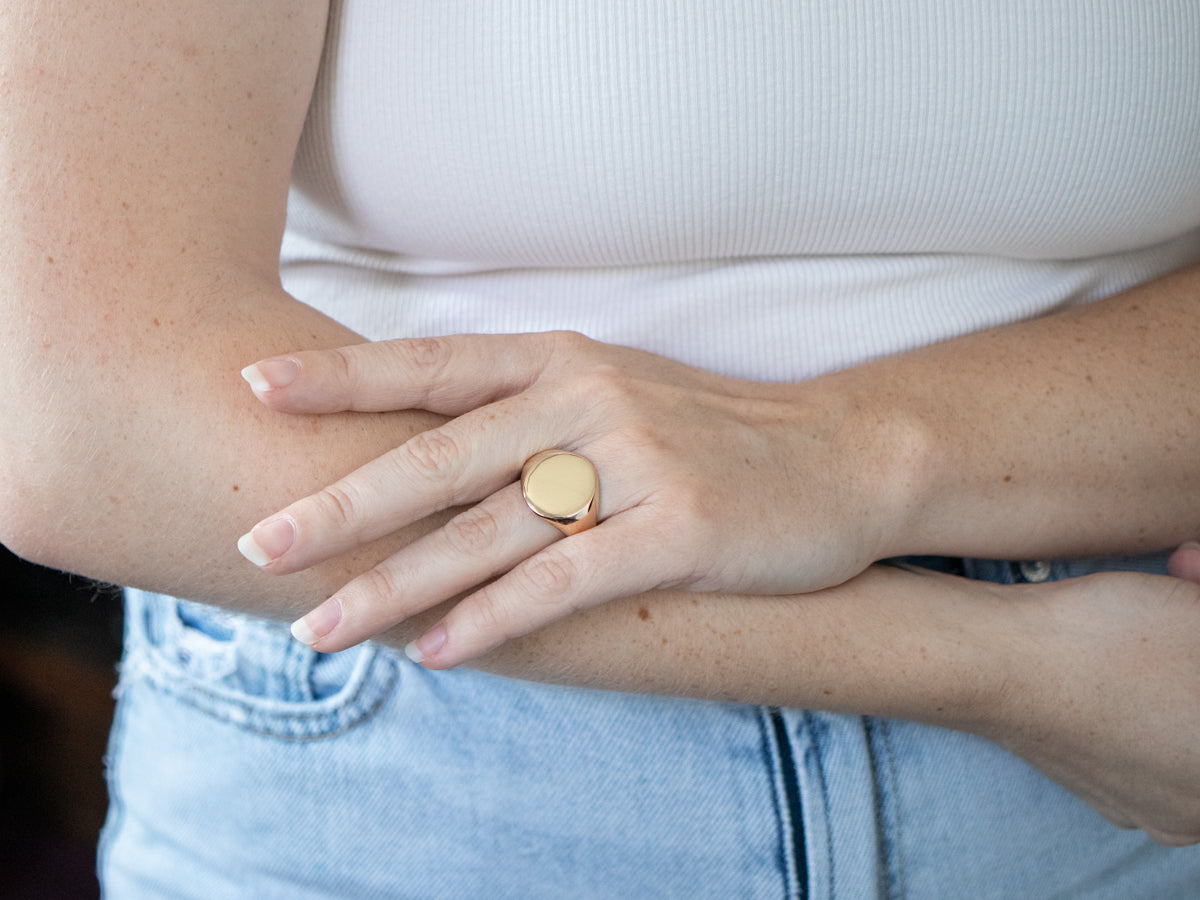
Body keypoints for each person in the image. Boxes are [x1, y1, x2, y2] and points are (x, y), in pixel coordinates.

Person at [2, 0, 1199, 896]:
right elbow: (84, 412)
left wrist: (847, 454)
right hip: (403, 759)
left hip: (1138, 709)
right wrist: (1004, 668)